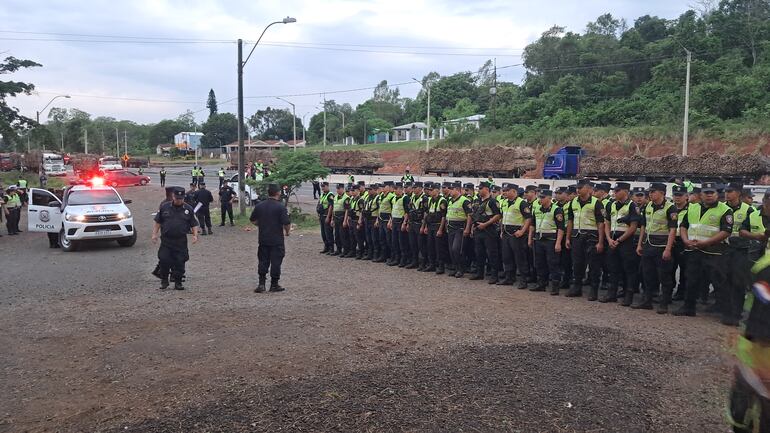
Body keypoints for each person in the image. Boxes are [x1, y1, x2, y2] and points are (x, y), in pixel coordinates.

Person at [674, 181, 734, 324]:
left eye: (712, 193)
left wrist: (706, 242)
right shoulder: (693, 207)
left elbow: (726, 231)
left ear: (717, 194)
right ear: (701, 195)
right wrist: (685, 240)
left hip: (714, 252)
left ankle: (729, 314)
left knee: (719, 283)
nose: (709, 195)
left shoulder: (725, 210)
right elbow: (684, 226)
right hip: (694, 250)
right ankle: (689, 307)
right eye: (706, 193)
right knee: (692, 280)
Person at [635, 183, 678, 313]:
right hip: (648, 245)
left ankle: (664, 303)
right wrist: (640, 244)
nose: (650, 194)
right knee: (647, 274)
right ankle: (647, 301)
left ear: (662, 193)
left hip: (661, 246)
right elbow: (643, 226)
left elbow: (672, 230)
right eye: (650, 191)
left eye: (653, 191)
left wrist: (668, 249)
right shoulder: (648, 205)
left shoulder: (670, 208)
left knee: (664, 276)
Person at [565, 179, 606, 301]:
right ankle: (576, 288)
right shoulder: (573, 202)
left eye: (580, 188)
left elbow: (601, 223)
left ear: (588, 188)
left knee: (594, 265)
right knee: (577, 263)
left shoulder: (597, 203)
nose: (578, 190)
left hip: (591, 237)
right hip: (577, 236)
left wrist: (600, 241)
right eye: (577, 188)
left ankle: (593, 290)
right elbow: (570, 221)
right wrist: (568, 238)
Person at [152, 187, 199, 290]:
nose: (179, 200)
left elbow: (194, 223)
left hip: (180, 240)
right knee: (164, 259)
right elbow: (158, 222)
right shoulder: (165, 207)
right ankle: (164, 280)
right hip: (166, 240)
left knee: (180, 261)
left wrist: (195, 235)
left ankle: (178, 282)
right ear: (173, 197)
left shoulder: (188, 209)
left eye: (181, 199)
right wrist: (154, 234)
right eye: (177, 198)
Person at [602, 182, 641, 305]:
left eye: (618, 191)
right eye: (615, 190)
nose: (615, 193)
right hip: (612, 239)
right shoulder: (611, 205)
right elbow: (607, 223)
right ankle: (611, 294)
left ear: (626, 191)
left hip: (626, 240)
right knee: (613, 268)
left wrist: (619, 240)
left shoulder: (632, 206)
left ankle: (628, 295)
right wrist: (609, 239)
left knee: (628, 269)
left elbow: (633, 227)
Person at [250, 183, 291, 293]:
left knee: (263, 261)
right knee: (276, 262)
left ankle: (261, 284)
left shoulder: (259, 206)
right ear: (278, 193)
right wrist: (287, 232)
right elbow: (286, 222)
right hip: (277, 240)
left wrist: (261, 225)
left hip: (263, 238)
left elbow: (253, 220)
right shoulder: (280, 207)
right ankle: (274, 284)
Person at [529, 189, 565, 294]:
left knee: (553, 263)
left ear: (549, 198)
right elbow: (532, 225)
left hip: (551, 240)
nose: (540, 199)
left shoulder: (556, 210)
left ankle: (555, 286)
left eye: (542, 197)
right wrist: (530, 238)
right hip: (538, 239)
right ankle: (541, 284)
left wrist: (558, 243)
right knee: (539, 263)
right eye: (539, 197)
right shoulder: (537, 209)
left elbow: (561, 228)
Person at [498, 183, 532, 288]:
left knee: (519, 257)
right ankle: (509, 278)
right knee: (506, 256)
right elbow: (503, 217)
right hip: (506, 233)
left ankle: (523, 280)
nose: (504, 192)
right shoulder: (504, 202)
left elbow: (528, 218)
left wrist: (522, 231)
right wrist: (502, 231)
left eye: (507, 190)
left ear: (514, 191)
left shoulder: (521, 203)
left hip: (516, 234)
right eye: (504, 190)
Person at [470, 181, 502, 283]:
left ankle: (494, 276)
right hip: (478, 230)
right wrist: (472, 227)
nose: (478, 190)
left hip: (489, 230)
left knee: (492, 253)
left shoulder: (492, 201)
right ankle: (479, 273)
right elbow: (474, 215)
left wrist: (486, 224)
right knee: (479, 253)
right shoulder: (478, 201)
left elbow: (498, 215)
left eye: (480, 188)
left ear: (486, 189)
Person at [446, 182, 472, 278]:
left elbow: (469, 215)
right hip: (451, 227)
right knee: (451, 250)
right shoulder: (450, 200)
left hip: (460, 228)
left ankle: (461, 269)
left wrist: (467, 228)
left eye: (451, 189)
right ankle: (456, 268)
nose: (449, 191)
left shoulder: (464, 201)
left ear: (457, 190)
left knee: (456, 249)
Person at [330, 183, 350, 256]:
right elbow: (334, 209)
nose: (337, 190)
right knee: (337, 235)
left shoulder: (346, 198)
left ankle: (345, 250)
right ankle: (338, 249)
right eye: (337, 189)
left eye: (339, 189)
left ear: (342, 189)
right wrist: (332, 219)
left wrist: (345, 220)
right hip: (336, 218)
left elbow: (347, 210)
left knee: (343, 235)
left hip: (342, 218)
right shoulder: (335, 197)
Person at [317, 182, 335, 254]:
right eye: (322, 187)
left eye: (324, 186)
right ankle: (326, 247)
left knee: (328, 233)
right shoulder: (322, 194)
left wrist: (328, 216)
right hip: (322, 215)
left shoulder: (330, 195)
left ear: (327, 186)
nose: (322, 188)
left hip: (327, 216)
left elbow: (331, 206)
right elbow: (319, 204)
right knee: (323, 233)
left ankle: (331, 248)